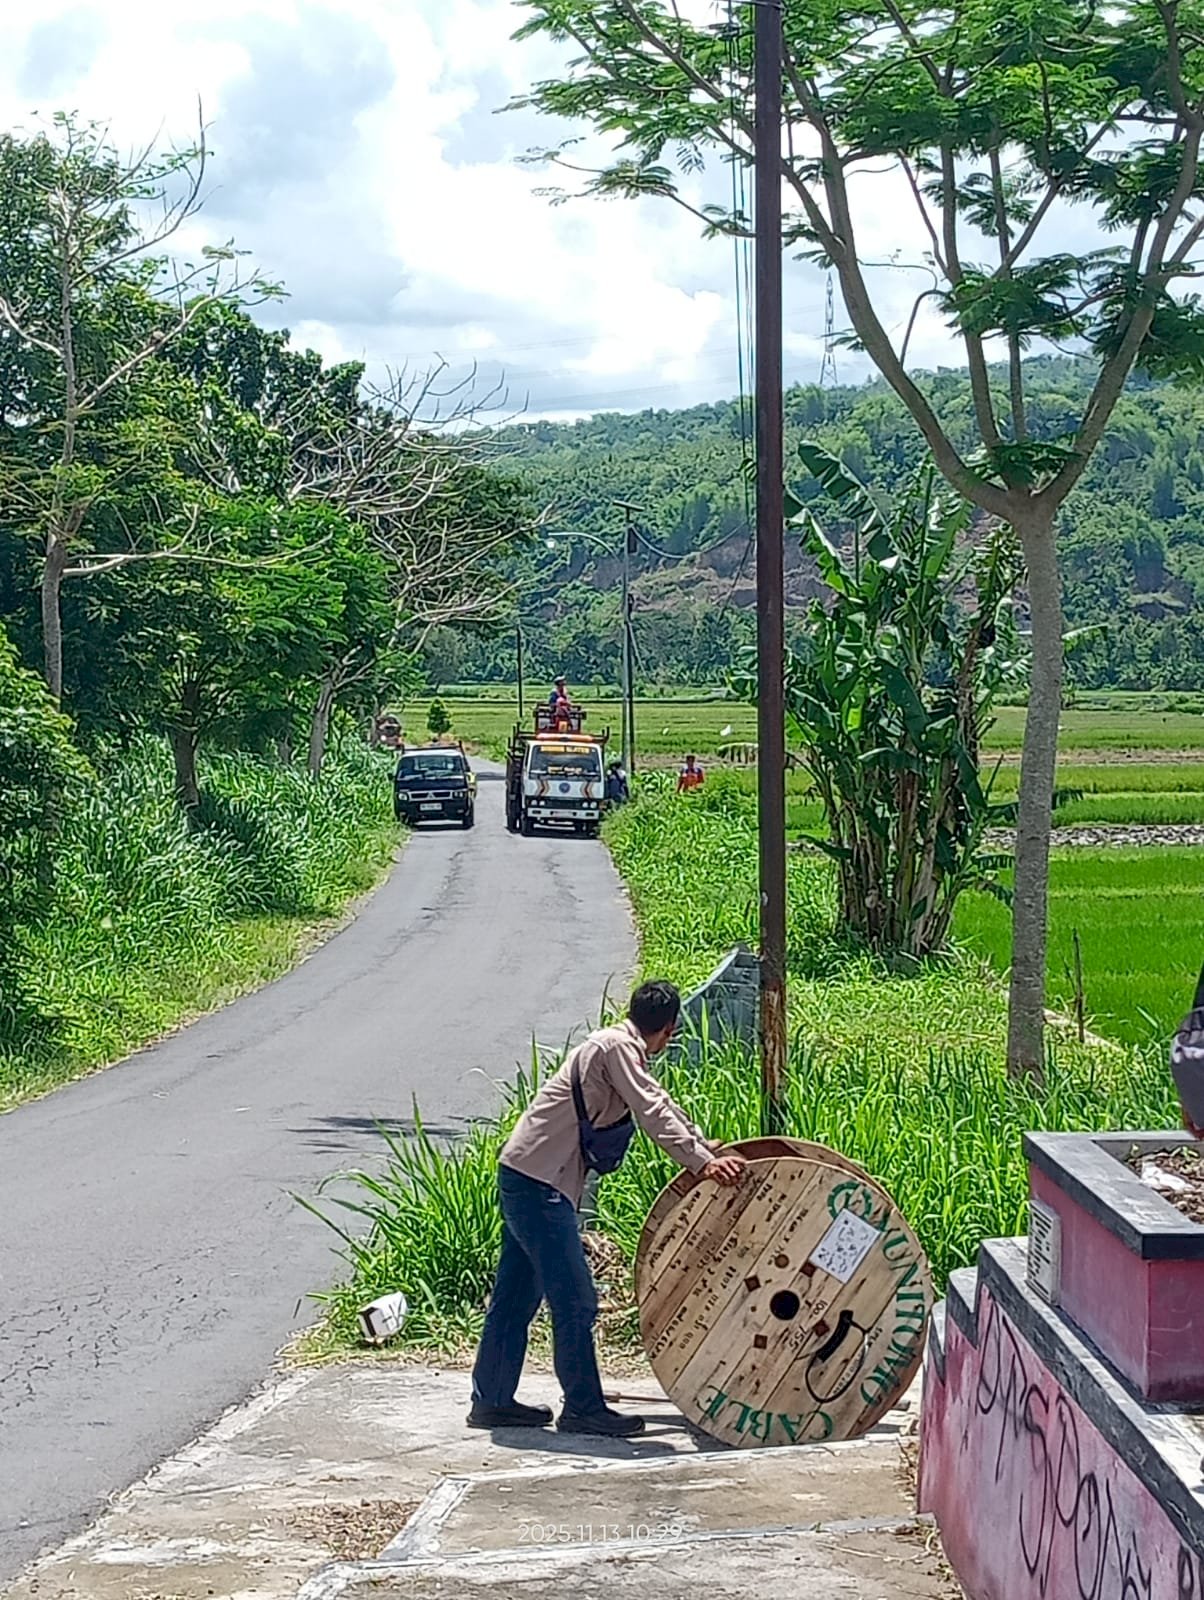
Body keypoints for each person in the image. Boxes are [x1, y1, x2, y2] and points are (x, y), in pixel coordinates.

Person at [468, 981, 744, 1439]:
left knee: (516, 1297)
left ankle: (493, 1400)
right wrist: (704, 1163)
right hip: (541, 1186)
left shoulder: (612, 1045)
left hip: (524, 1174)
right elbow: (652, 1108)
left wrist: (700, 1146)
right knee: (576, 1299)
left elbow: (658, 1101)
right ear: (670, 1029)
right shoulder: (618, 1048)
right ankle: (582, 1408)